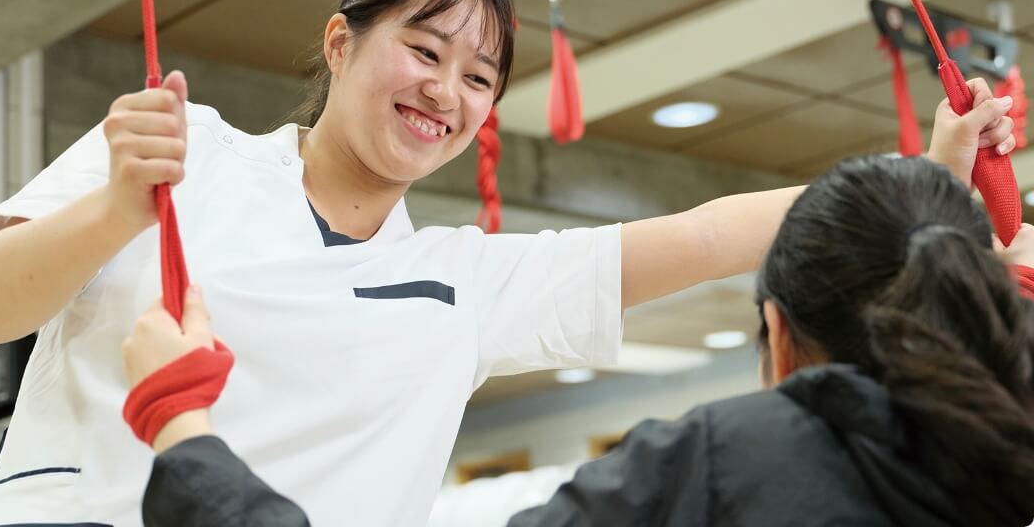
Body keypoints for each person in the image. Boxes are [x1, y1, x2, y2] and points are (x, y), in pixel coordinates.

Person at [0, 0, 1017, 526]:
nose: (445, 94)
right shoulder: (182, 149)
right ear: (339, 41)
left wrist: (923, 178)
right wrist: (113, 207)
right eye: (422, 51)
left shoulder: (462, 279)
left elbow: (699, 237)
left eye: (477, 78)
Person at [127, 154, 1034, 527]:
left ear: (779, 336)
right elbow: (704, 235)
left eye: (480, 72)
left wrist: (182, 427)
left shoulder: (729, 464)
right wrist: (935, 200)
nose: (447, 91)